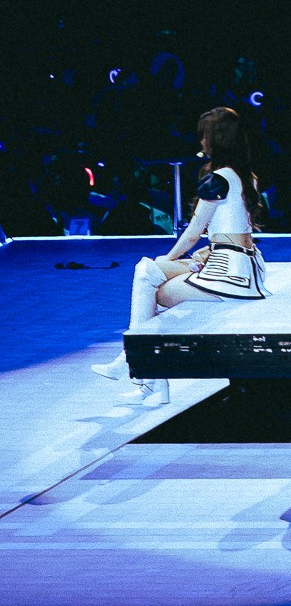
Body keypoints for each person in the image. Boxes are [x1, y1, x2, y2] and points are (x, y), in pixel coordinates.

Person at [91, 106, 267, 405]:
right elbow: (238, 229)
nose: (201, 142)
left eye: (204, 136)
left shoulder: (218, 179)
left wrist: (170, 259)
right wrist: (205, 251)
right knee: (147, 272)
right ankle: (144, 373)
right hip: (241, 266)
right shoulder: (245, 176)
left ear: (216, 139)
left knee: (152, 279)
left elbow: (194, 229)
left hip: (229, 275)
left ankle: (139, 366)